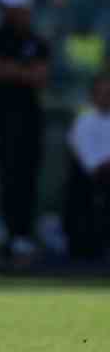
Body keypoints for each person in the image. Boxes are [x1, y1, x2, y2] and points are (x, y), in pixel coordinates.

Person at [0, 0, 48, 263]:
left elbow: (40, 76)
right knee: (1, 177)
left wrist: (8, 69)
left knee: (27, 179)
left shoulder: (37, 41)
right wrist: (22, 71)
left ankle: (21, 234)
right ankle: (3, 235)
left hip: (29, 119)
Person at [66, 71, 110, 261]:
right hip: (94, 182)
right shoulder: (83, 122)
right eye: (103, 92)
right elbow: (90, 165)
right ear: (93, 95)